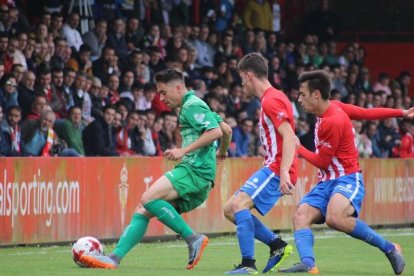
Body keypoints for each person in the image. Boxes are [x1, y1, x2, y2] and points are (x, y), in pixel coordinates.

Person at [78, 68, 232, 270]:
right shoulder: (194, 105)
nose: (161, 98)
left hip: (194, 170)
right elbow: (226, 130)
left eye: (163, 92)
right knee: (143, 209)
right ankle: (114, 258)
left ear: (178, 88)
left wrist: (183, 150)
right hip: (201, 177)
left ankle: (192, 238)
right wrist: (222, 152)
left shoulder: (192, 106)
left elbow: (214, 132)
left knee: (148, 198)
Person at [279, 70, 412, 274]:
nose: (299, 99)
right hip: (327, 182)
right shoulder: (334, 107)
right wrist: (401, 113)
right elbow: (367, 113)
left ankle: (390, 248)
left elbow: (323, 162)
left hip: (348, 179)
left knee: (335, 218)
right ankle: (308, 263)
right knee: (301, 215)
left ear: (316, 94)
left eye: (302, 94)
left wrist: (299, 148)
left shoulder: (332, 121)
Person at [223, 52, 297, 274]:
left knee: (238, 206)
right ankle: (276, 245)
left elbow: (291, 137)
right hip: (274, 166)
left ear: (249, 75)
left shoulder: (272, 100)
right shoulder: (274, 97)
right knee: (229, 209)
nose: (242, 84)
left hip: (276, 169)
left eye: (241, 79)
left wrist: (284, 172)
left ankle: (248, 264)